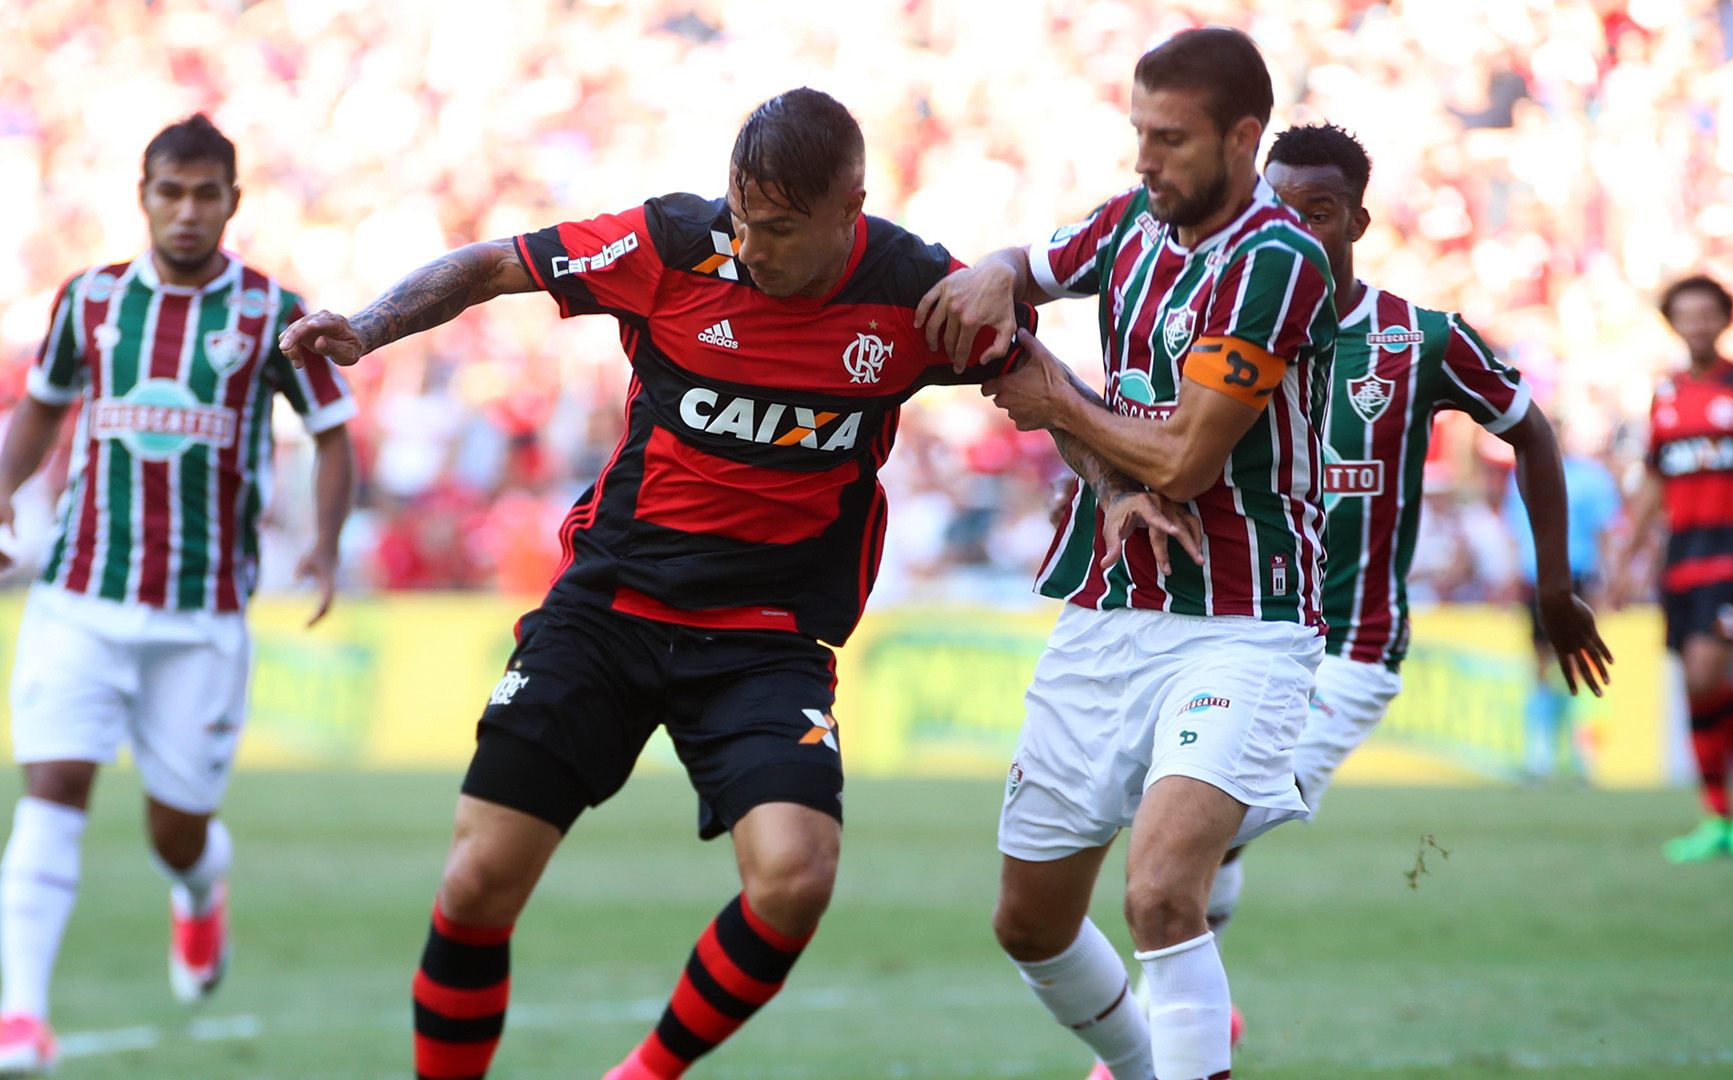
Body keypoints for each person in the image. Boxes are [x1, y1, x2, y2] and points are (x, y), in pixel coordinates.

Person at [279, 88, 1031, 1080]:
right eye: (742, 217)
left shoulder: (916, 289)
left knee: (796, 878)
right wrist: (367, 329)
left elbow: (1036, 379)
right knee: (475, 884)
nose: (751, 246)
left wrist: (1122, 473)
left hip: (765, 643)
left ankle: (642, 1076)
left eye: (779, 229)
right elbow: (493, 263)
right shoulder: (674, 244)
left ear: (851, 207)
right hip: (610, 610)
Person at [917, 29, 1339, 1080]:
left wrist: (1053, 392)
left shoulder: (1279, 260)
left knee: (1159, 893)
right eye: (1139, 134)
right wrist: (990, 272)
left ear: (1244, 139)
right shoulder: (1127, 223)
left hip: (1242, 624)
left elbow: (1188, 458)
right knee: (1030, 924)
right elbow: (1030, 266)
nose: (1147, 160)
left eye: (1172, 139)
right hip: (1107, 614)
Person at [1162, 121, 1614, 1064]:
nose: (1292, 229)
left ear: (1358, 220)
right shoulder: (1227, 334)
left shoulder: (1422, 340)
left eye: (1316, 213)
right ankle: (1203, 1011)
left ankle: (1156, 1035)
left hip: (1349, 651)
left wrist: (1555, 586)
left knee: (1195, 832)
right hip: (1237, 630)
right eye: (1275, 209)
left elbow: (1531, 432)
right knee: (1185, 830)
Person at [0, 113, 356, 1076]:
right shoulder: (91, 300)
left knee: (176, 829)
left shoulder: (273, 314)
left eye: (206, 194)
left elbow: (331, 428)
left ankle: (201, 890)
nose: (187, 211)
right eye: (171, 191)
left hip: (201, 616)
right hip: (78, 593)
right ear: (144, 196)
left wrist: (323, 544)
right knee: (55, 784)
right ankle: (20, 1016)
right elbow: (39, 408)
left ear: (232, 202)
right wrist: (0, 491)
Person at [1610, 274, 1733, 863]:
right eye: (1685, 315)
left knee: (1704, 674)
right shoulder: (1666, 396)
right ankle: (1721, 815)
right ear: (1673, 323)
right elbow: (1653, 481)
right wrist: (1626, 559)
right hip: (1683, 556)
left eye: (1707, 314)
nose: (1696, 324)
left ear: (1725, 319)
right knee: (1697, 687)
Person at [1506, 436, 1622, 779]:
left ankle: (1579, 754)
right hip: (1536, 578)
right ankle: (1540, 755)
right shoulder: (1521, 476)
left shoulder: (1592, 477)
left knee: (1578, 660)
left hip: (1578, 577)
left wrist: (1605, 579)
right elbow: (1516, 532)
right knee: (1541, 665)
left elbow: (1604, 533)